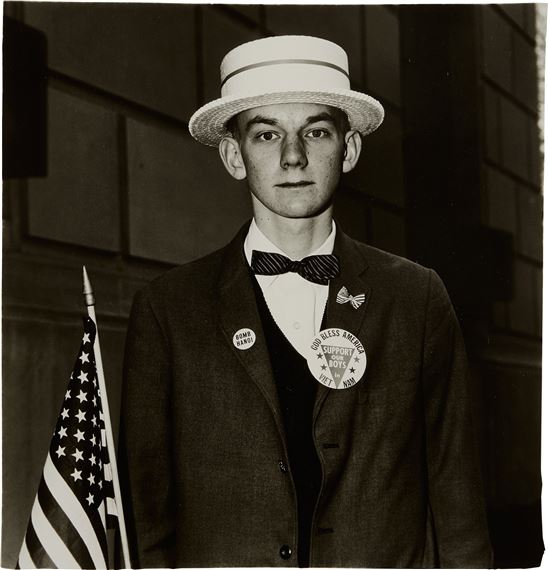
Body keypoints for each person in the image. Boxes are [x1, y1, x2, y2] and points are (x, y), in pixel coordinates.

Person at [119, 35, 493, 568]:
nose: (293, 156)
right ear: (232, 154)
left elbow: (458, 505)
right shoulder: (168, 310)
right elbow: (145, 518)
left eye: (316, 131)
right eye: (266, 134)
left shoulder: (415, 298)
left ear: (350, 148)